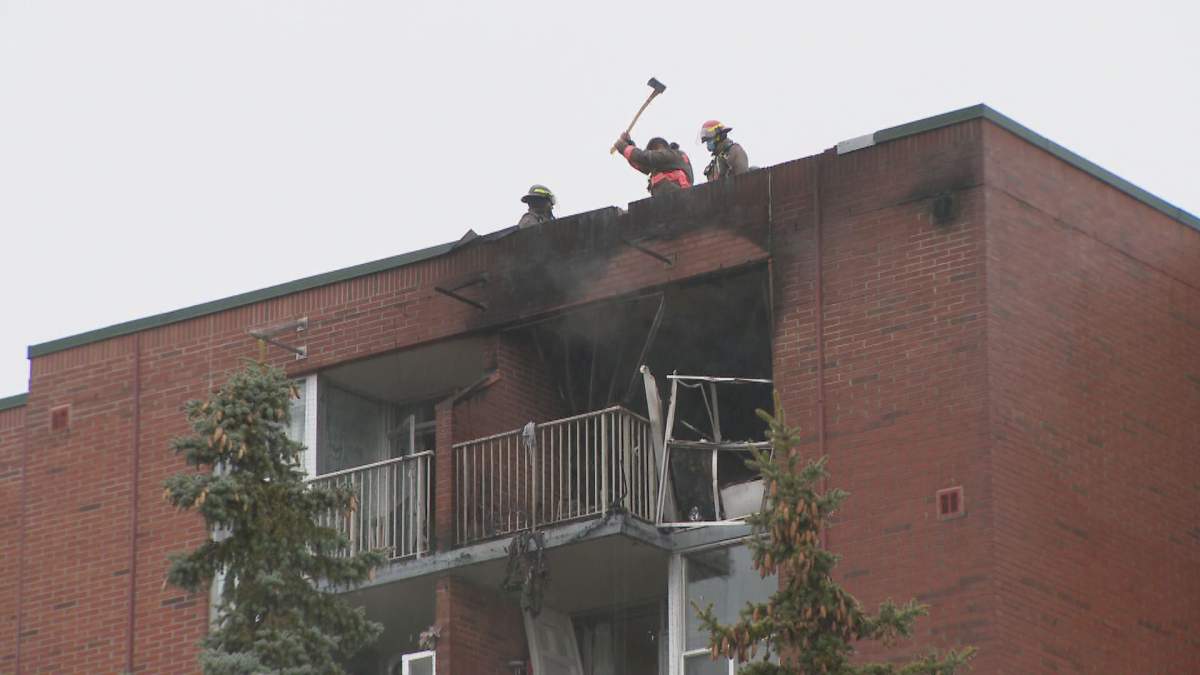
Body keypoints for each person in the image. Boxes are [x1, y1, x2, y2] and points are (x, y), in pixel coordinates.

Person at [613, 133, 694, 196]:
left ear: (660, 147)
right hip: (675, 196)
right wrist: (629, 144)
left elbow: (644, 158)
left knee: (656, 178)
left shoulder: (673, 154)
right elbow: (642, 164)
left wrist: (623, 146)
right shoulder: (671, 161)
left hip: (679, 196)